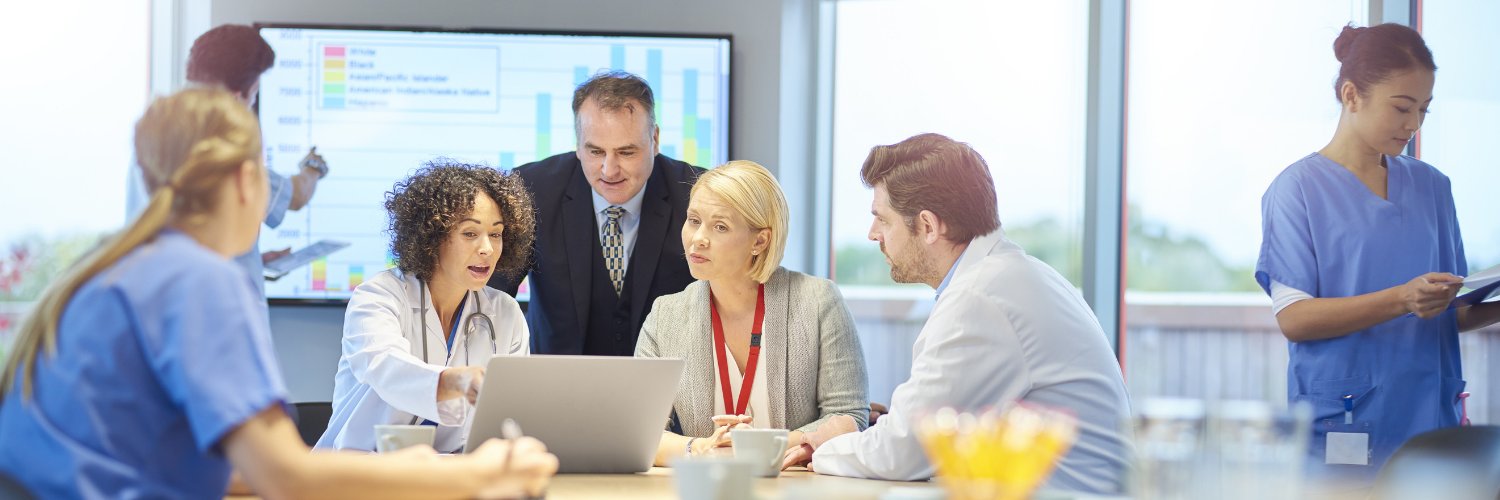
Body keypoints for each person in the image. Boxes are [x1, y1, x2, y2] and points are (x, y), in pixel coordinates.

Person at [0, 88, 555, 499]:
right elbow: (284, 474)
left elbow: (214, 471)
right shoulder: (201, 281)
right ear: (248, 181)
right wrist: (481, 476)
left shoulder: (114, 268)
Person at [789, 133, 1132, 495]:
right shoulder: (1009, 275)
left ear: (927, 226)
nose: (873, 234)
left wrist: (827, 442)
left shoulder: (980, 298)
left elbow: (902, 453)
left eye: (882, 220)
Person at [1255, 23, 1500, 482]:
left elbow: (1450, 313)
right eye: (1402, 107)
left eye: (1424, 110)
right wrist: (1401, 299)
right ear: (1351, 95)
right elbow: (1295, 318)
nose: (1414, 124)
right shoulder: (1296, 191)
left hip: (1432, 423)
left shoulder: (1434, 188)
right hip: (1348, 424)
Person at [634, 161, 869, 466]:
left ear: (760, 241)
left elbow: (849, 417)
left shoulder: (818, 301)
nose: (697, 238)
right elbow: (642, 432)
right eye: (694, 220)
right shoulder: (665, 315)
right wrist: (702, 448)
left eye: (720, 226)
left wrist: (760, 446)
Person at [318, 161, 536, 453]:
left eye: (495, 234)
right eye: (470, 233)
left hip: (453, 477)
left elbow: (510, 413)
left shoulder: (506, 313)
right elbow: (386, 368)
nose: (486, 248)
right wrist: (454, 381)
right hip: (362, 473)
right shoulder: (378, 296)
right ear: (432, 236)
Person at [488, 71, 702, 356]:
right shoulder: (529, 190)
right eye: (595, 151)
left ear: (655, 139)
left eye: (626, 152)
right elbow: (489, 297)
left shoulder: (698, 195)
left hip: (670, 391)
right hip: (555, 388)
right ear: (578, 144)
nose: (609, 170)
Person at [127, 23, 329, 299]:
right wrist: (314, 167)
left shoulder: (155, 140)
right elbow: (296, 195)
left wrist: (251, 260)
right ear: (238, 96)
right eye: (254, 95)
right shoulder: (226, 150)